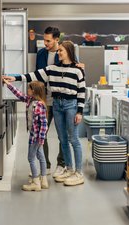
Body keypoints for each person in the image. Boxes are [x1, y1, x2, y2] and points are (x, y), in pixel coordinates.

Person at [3, 40, 86, 186]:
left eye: (61, 51)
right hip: (56, 104)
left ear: (69, 52)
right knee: (63, 139)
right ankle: (69, 168)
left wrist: (79, 111)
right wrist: (14, 78)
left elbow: (81, 92)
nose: (58, 53)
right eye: (58, 50)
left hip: (71, 105)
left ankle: (78, 173)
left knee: (74, 139)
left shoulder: (78, 71)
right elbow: (33, 75)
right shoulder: (52, 68)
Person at [36, 27, 85, 179]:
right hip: (46, 100)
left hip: (66, 102)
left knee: (66, 137)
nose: (45, 43)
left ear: (57, 40)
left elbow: (78, 79)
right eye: (44, 40)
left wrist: (79, 111)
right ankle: (46, 166)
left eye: (48, 41)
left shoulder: (65, 52)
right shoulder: (41, 54)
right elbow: (37, 74)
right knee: (42, 134)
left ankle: (62, 165)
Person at [3, 79, 49, 191]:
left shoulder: (39, 105)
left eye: (29, 88)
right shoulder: (30, 100)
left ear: (34, 91)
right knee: (41, 156)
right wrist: (9, 85)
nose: (27, 90)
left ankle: (35, 182)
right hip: (35, 135)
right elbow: (19, 95)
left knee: (31, 158)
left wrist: (41, 139)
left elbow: (44, 123)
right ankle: (43, 180)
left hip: (36, 137)